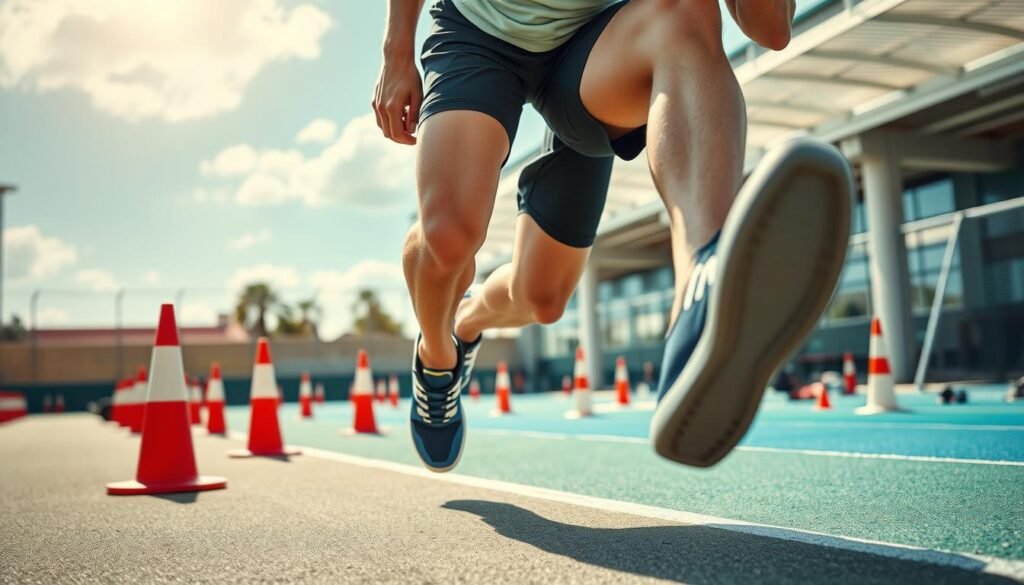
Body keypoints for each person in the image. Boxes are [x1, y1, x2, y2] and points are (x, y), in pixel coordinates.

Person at [374, 0, 853, 472]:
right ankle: (439, 353)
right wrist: (397, 53)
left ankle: (702, 288)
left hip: (595, 42)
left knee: (686, 11)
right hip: (477, 32)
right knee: (455, 239)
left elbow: (772, 30)